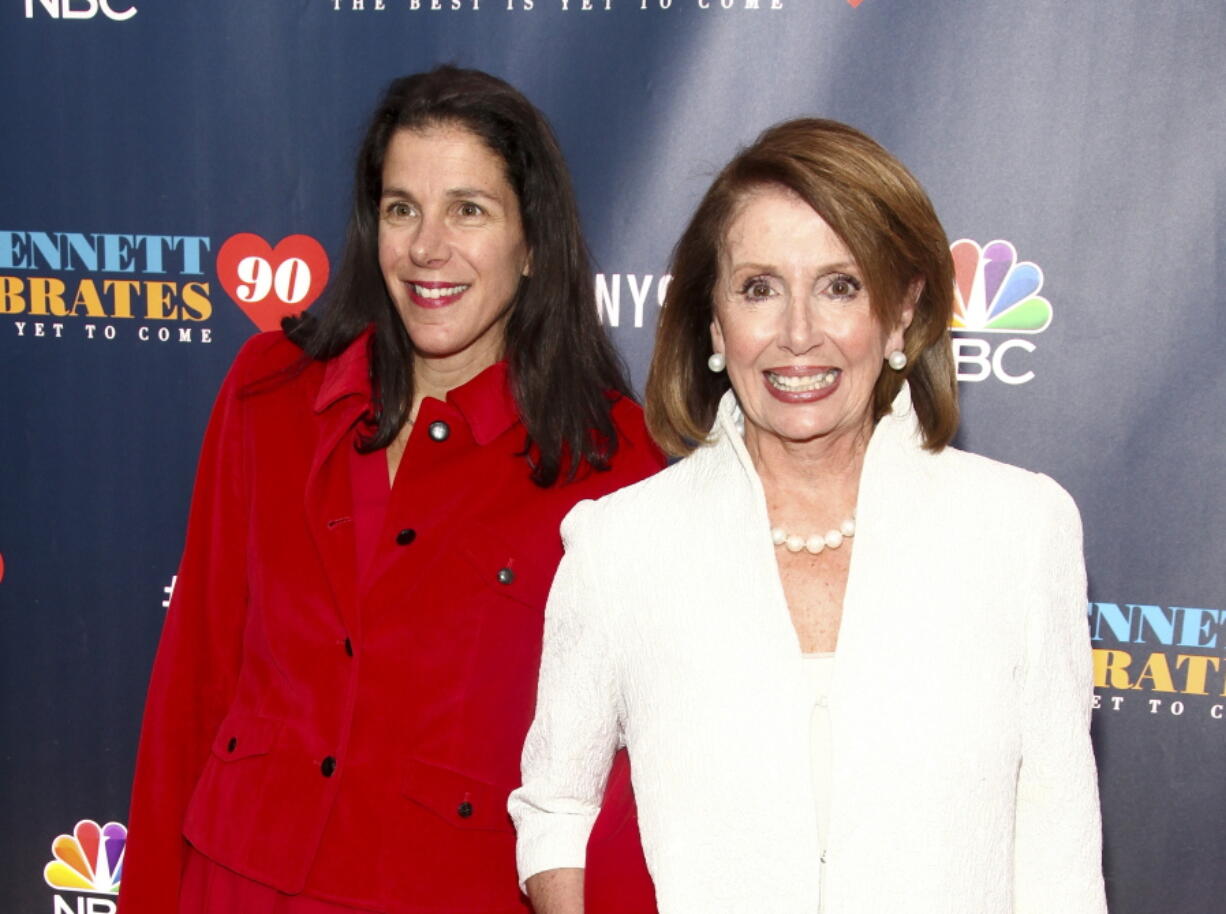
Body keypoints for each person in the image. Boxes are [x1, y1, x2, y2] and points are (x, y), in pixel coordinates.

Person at [510, 118, 1107, 913]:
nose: (797, 334)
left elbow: (1061, 860)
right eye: (759, 288)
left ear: (900, 314)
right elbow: (554, 809)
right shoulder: (621, 546)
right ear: (714, 323)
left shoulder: (1021, 530)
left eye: (841, 285)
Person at [119, 66, 662, 914]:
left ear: (532, 243)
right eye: (401, 207)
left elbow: (621, 782)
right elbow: (194, 676)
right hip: (233, 885)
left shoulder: (609, 459)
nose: (425, 247)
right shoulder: (270, 391)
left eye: (468, 210)